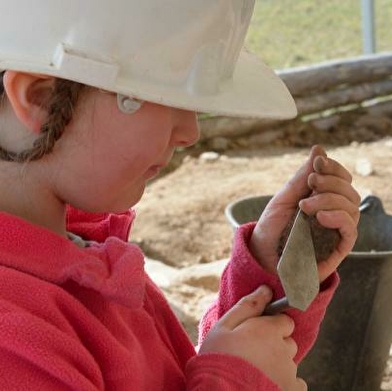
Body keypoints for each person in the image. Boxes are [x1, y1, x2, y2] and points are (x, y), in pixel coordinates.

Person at [0, 1, 360, 390]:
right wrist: (238, 380)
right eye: (167, 96)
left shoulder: (82, 254)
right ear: (40, 98)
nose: (191, 132)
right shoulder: (12, 342)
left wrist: (270, 278)